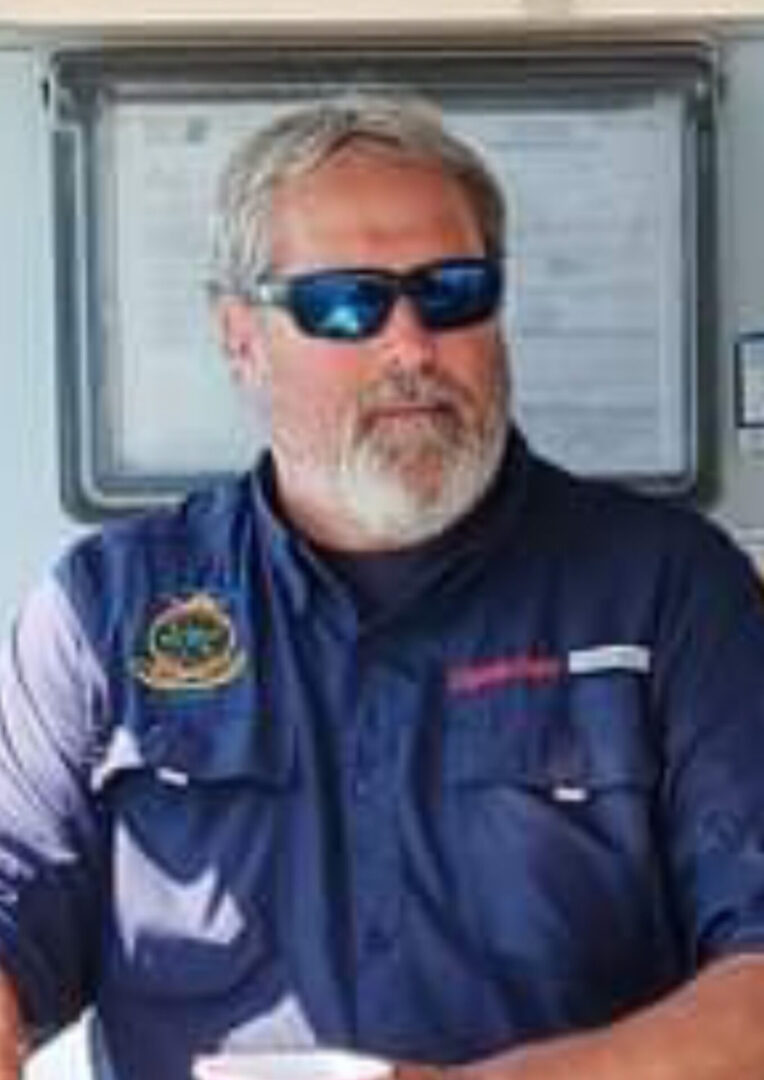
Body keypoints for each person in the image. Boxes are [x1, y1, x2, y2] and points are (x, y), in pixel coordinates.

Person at [2, 94, 764, 1080]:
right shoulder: (105, 613)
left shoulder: (666, 594)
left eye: (451, 292)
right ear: (241, 337)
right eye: (344, 304)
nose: (410, 346)